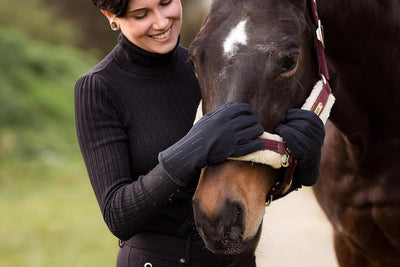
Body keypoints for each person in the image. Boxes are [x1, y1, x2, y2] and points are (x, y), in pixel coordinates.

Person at [74, 0, 325, 266]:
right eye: (141, 14)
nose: (161, 22)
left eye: (165, 3)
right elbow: (118, 215)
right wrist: (192, 148)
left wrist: (306, 163)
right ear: (111, 16)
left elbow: (247, 180)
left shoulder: (208, 63)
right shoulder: (99, 87)